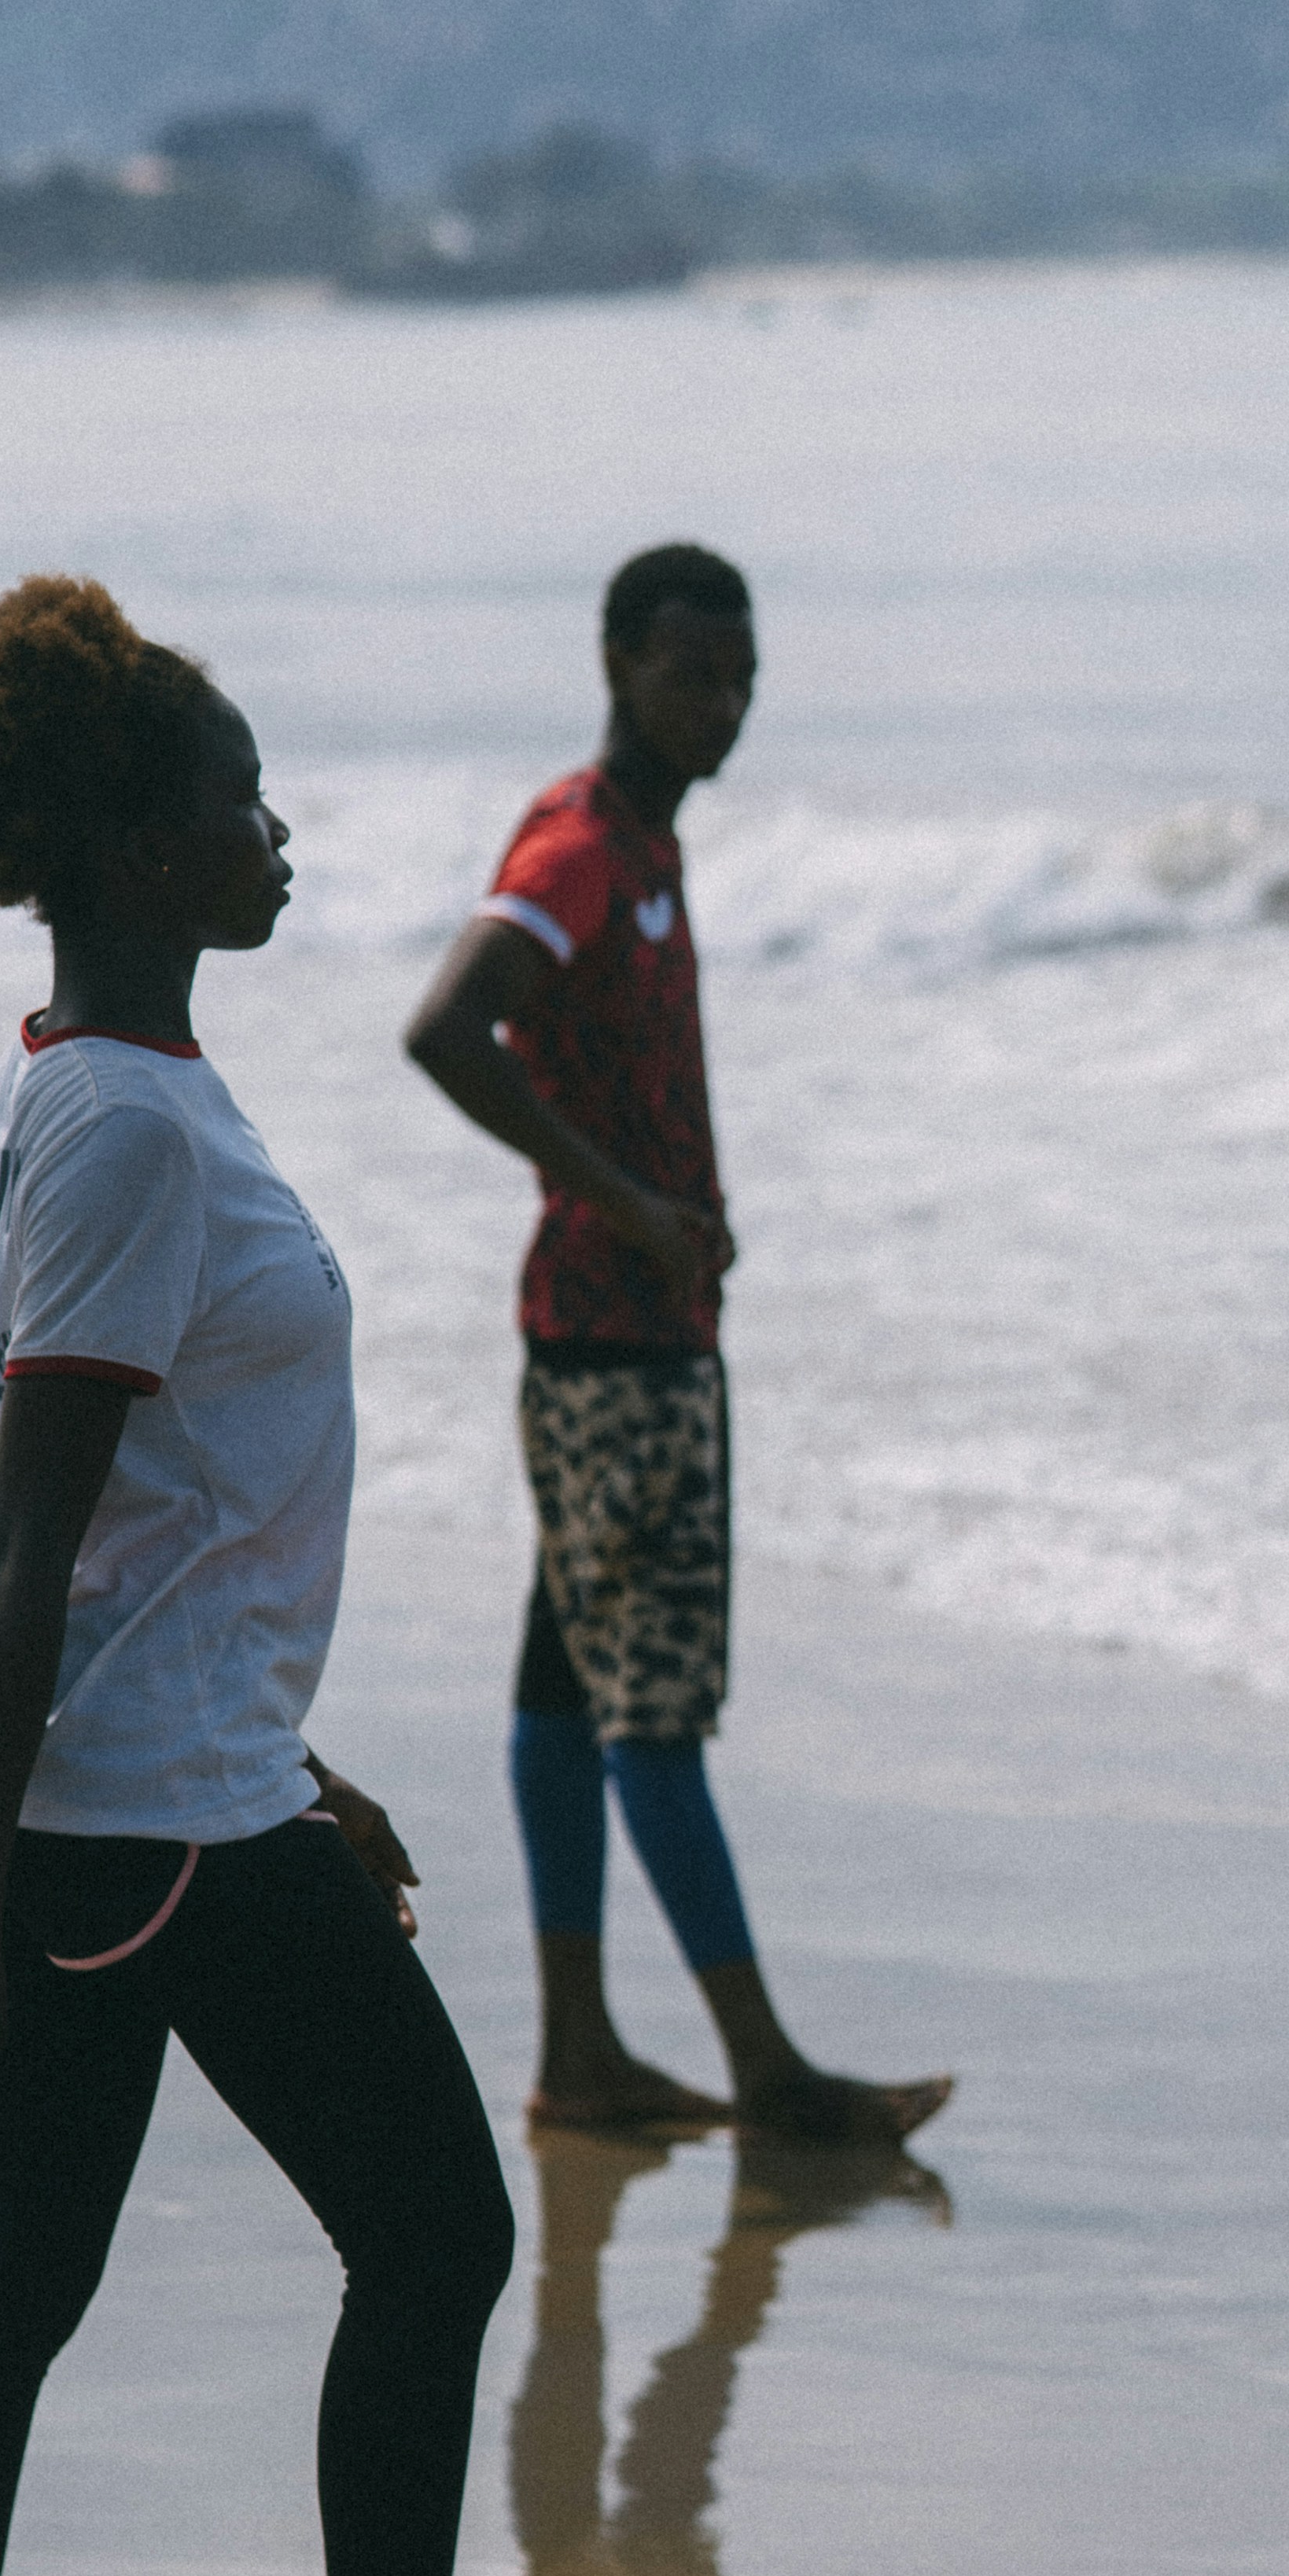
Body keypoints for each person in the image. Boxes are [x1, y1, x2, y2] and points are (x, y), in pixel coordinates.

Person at [0, 575, 624, 2576]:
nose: (276, 829)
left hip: (133, 1776)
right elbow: (38, 1541)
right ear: (142, 839)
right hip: (100, 1819)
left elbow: (158, 1529)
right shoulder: (129, 1133)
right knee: (439, 2232)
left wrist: (300, 1765)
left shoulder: (107, 1075)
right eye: (239, 796)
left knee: (17, 2296)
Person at [403, 543, 951, 2151]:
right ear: (619, 663)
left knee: (566, 1681)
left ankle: (580, 2050)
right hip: (615, 1337)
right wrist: (635, 1205)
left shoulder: (640, 843)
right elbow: (447, 1027)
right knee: (651, 1705)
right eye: (693, 672)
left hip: (610, 1327)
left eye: (743, 680)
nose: (722, 706)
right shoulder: (586, 845)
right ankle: (765, 2066)